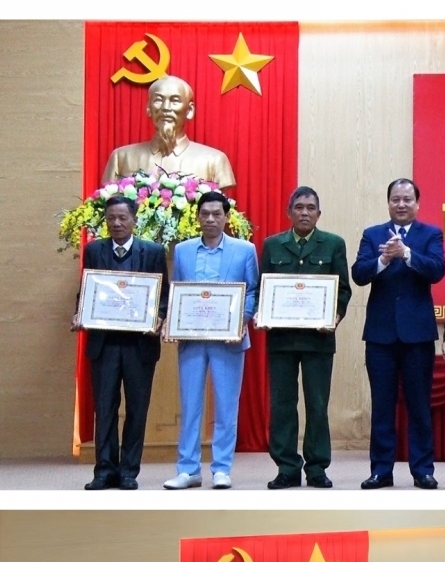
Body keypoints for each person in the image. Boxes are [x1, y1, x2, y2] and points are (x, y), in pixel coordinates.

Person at [351, 178, 445, 490]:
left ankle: (423, 470)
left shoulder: (430, 234)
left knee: (419, 406)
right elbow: (359, 274)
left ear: (417, 204)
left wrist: (406, 254)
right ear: (388, 202)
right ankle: (381, 470)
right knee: (382, 406)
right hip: (380, 336)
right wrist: (383, 259)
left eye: (407, 199)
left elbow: (437, 270)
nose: (401, 204)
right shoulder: (373, 234)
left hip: (417, 336)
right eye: (396, 199)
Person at [257, 186, 352, 489]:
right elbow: (263, 288)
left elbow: (343, 290)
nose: (305, 213)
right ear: (289, 212)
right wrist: (262, 313)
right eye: (299, 207)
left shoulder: (333, 244)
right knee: (282, 405)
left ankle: (316, 468)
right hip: (281, 341)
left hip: (318, 341)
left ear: (319, 214)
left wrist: (334, 318)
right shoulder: (273, 245)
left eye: (311, 208)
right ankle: (286, 468)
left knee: (317, 405)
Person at [72, 195, 169, 490]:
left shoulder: (153, 251)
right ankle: (104, 471)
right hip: (104, 344)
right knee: (104, 409)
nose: (116, 223)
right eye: (111, 218)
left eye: (122, 218)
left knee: (137, 409)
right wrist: (80, 312)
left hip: (140, 345)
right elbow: (86, 289)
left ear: (134, 220)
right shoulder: (94, 250)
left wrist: (158, 318)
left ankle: (128, 471)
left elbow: (163, 296)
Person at [163, 191, 259, 490]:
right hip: (193, 339)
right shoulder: (183, 251)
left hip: (229, 340)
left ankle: (221, 468)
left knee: (226, 406)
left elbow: (253, 290)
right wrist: (173, 320)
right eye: (205, 214)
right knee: (190, 405)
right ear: (197, 217)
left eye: (217, 214)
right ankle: (188, 469)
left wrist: (241, 319)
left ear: (226, 217)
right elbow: (177, 290)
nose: (210, 219)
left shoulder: (245, 250)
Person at [102, 75, 235, 188]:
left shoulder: (214, 160)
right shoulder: (121, 157)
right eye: (158, 100)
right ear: (148, 108)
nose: (165, 108)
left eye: (175, 101)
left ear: (189, 110)